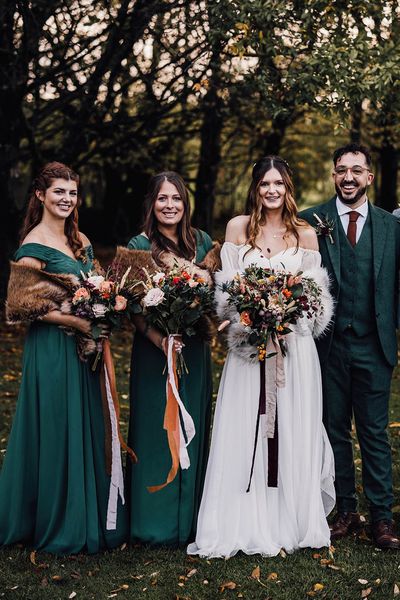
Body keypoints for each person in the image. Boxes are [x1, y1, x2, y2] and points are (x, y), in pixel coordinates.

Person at [188, 156, 335, 558]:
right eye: (265, 184)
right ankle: (242, 519)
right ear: (256, 188)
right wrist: (252, 318)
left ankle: (289, 517)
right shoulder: (238, 228)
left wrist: (285, 319)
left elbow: (316, 301)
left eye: (280, 184)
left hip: (294, 351)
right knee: (245, 425)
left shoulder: (305, 233)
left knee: (291, 426)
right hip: (248, 350)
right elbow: (225, 294)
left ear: (289, 188)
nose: (272, 191)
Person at [0, 162, 127, 554]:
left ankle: (89, 511)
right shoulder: (32, 247)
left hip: (85, 347)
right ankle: (57, 521)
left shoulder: (80, 239)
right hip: (53, 349)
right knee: (57, 426)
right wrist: (76, 320)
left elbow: (97, 282)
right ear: (40, 195)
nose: (66, 199)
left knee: (87, 423)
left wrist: (108, 301)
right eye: (59, 192)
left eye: (72, 193)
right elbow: (19, 305)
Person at [301, 143, 400, 550]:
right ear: (332, 175)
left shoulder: (391, 226)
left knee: (375, 432)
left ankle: (382, 517)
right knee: (334, 431)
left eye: (356, 171)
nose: (348, 178)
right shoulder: (311, 222)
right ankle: (346, 509)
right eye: (341, 170)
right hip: (328, 348)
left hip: (376, 347)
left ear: (369, 177)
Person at [126, 171, 214, 546]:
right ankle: (153, 523)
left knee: (194, 427)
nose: (169, 205)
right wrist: (159, 339)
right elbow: (132, 305)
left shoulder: (204, 243)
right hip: (154, 354)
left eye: (176, 199)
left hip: (193, 350)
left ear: (185, 204)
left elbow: (214, 295)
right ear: (152, 203)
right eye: (162, 199)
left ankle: (191, 521)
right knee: (154, 431)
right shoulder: (139, 244)